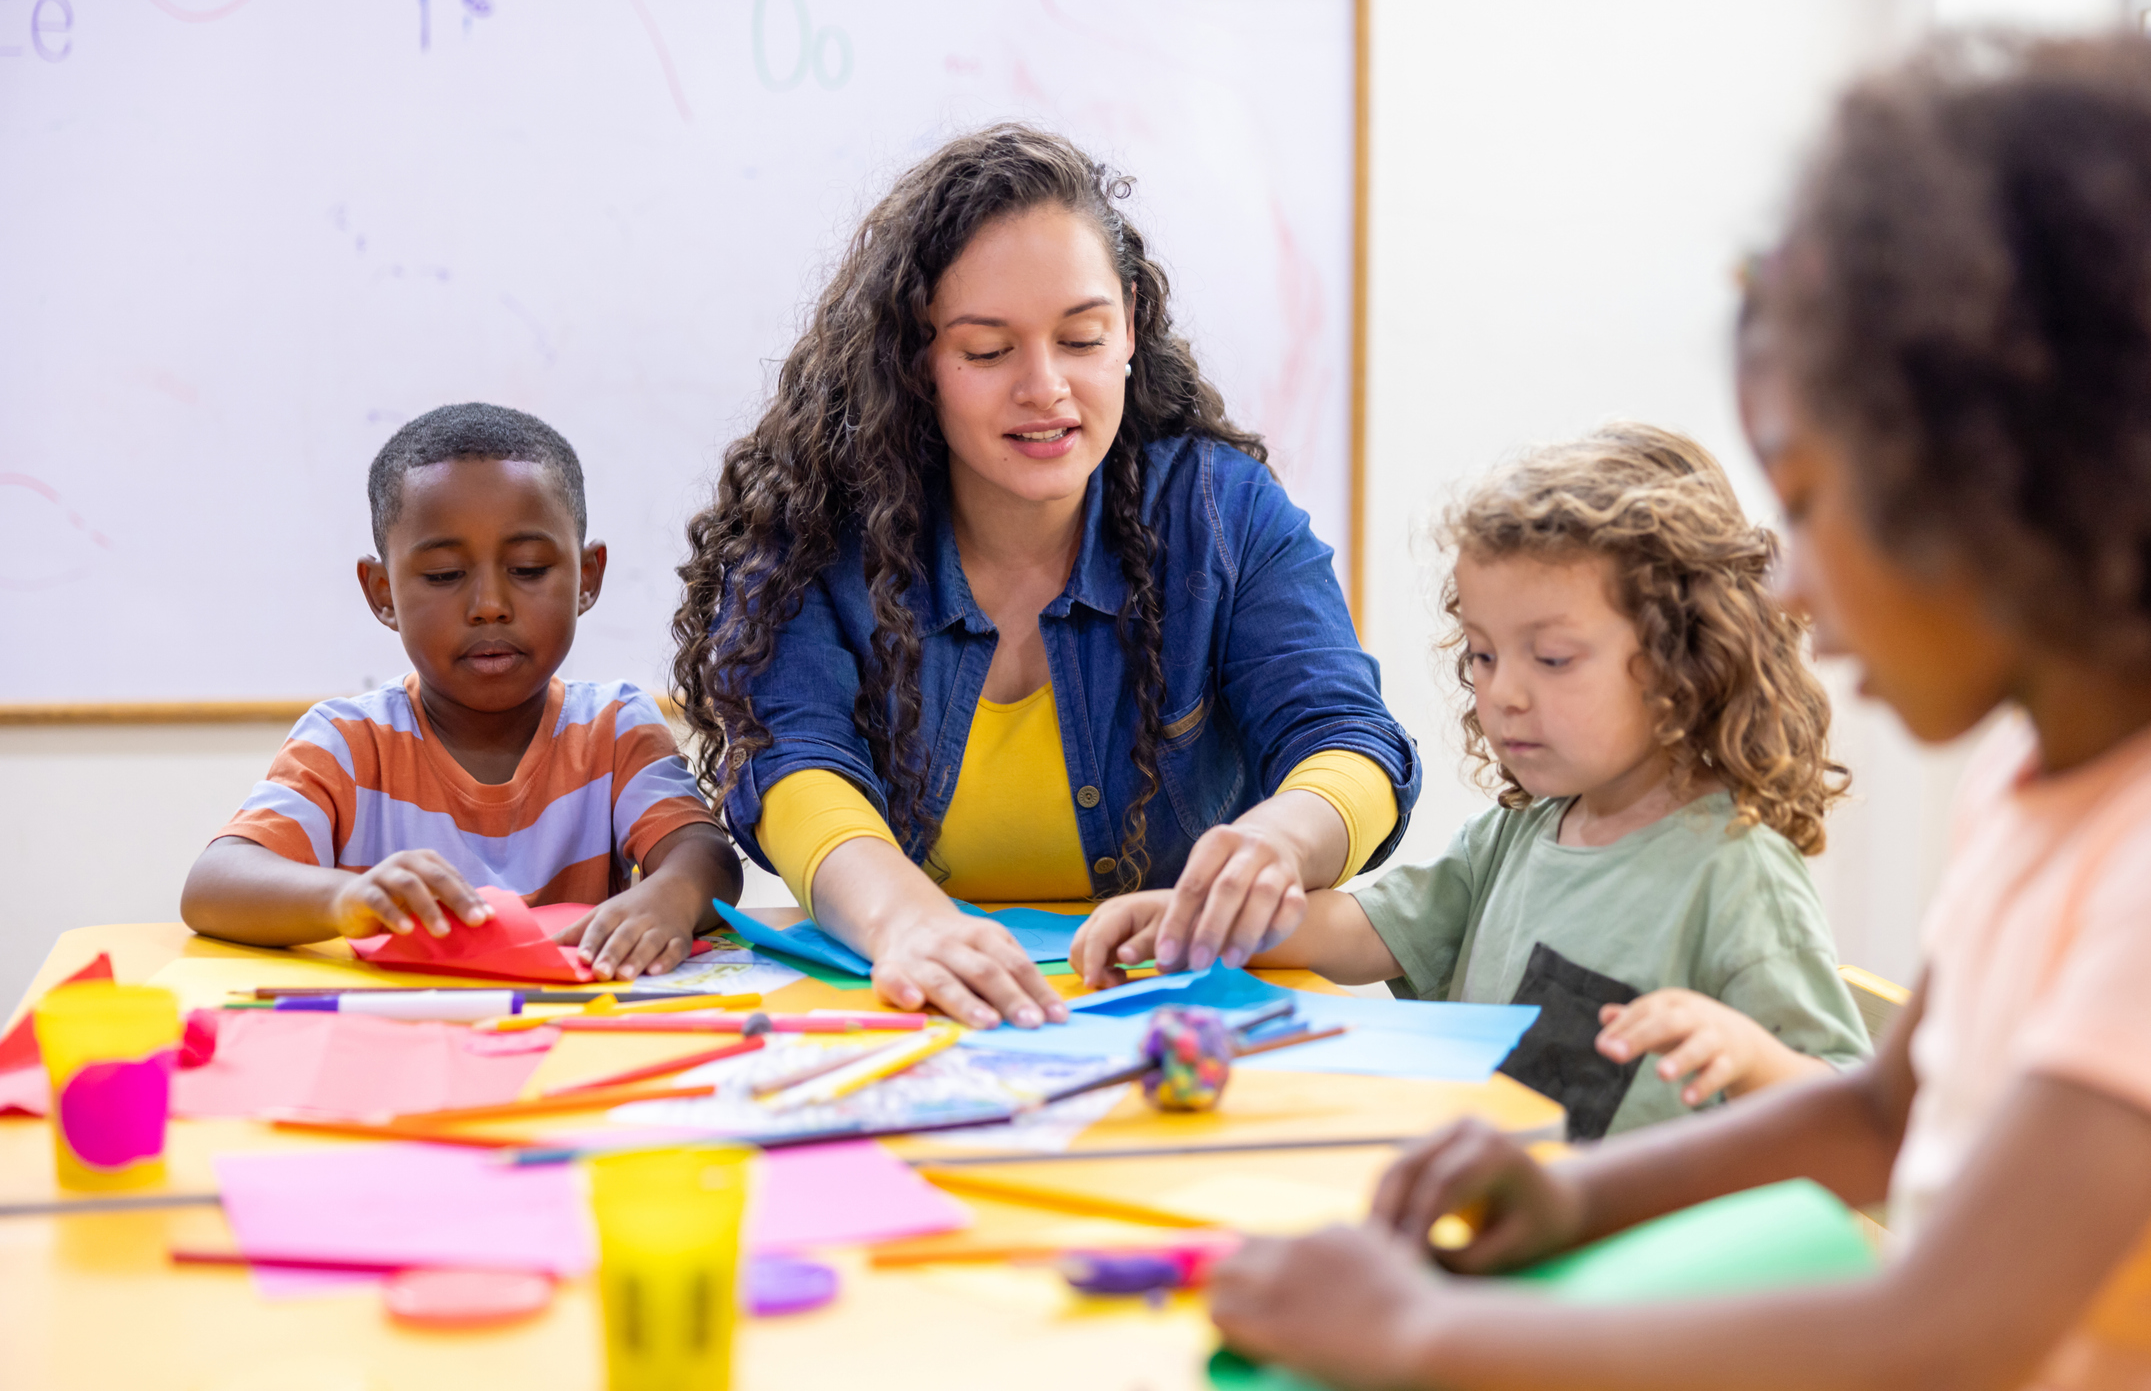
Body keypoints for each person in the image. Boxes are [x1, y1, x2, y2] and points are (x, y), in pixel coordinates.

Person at [1206, 32, 2151, 1391]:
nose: (1792, 591)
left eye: (1815, 502)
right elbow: (1882, 1108)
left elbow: (1945, 1327)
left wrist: (1420, 1333)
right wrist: (1581, 1199)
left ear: (2007, 479)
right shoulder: (2033, 790)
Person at [671, 124, 1420, 1029]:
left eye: (1082, 338)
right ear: (916, 359)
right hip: (904, 1012)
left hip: (1170, 1020)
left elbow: (1348, 738)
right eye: (988, 352)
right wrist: (906, 922)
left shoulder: (1219, 515)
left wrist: (1277, 840)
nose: (1045, 388)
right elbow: (793, 764)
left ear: (1132, 325)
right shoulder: (815, 530)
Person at [1075, 424, 1870, 1138]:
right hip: (1499, 1222)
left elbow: (1851, 1113)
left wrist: (1749, 1055)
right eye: (1483, 656)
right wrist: (1204, 920)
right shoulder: (1523, 832)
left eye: (1551, 659)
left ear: (1685, 659)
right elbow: (1363, 934)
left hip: (1625, 1265)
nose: (1502, 694)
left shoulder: (1737, 874)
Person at [182, 403, 742, 982]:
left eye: (527, 568)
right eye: (445, 575)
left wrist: (671, 896)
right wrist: (344, 899)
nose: (489, 605)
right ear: (382, 593)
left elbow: (708, 858)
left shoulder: (615, 727)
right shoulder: (346, 744)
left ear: (588, 577)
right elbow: (213, 884)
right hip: (400, 1039)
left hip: (571, 1035)